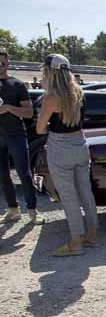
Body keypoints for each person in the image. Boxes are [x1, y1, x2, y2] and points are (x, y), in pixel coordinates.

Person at [36, 54, 98, 256]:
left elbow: (39, 129)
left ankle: (75, 242)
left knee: (69, 197)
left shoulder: (51, 98)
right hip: (80, 144)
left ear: (50, 72)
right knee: (85, 191)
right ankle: (91, 234)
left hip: (60, 147)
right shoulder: (78, 91)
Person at [0, 47, 42, 225]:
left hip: (16, 135)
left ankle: (33, 211)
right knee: (2, 176)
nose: (0, 66)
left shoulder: (17, 84)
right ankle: (13, 210)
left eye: (2, 62)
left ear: (8, 63)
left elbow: (28, 112)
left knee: (24, 174)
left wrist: (9, 108)